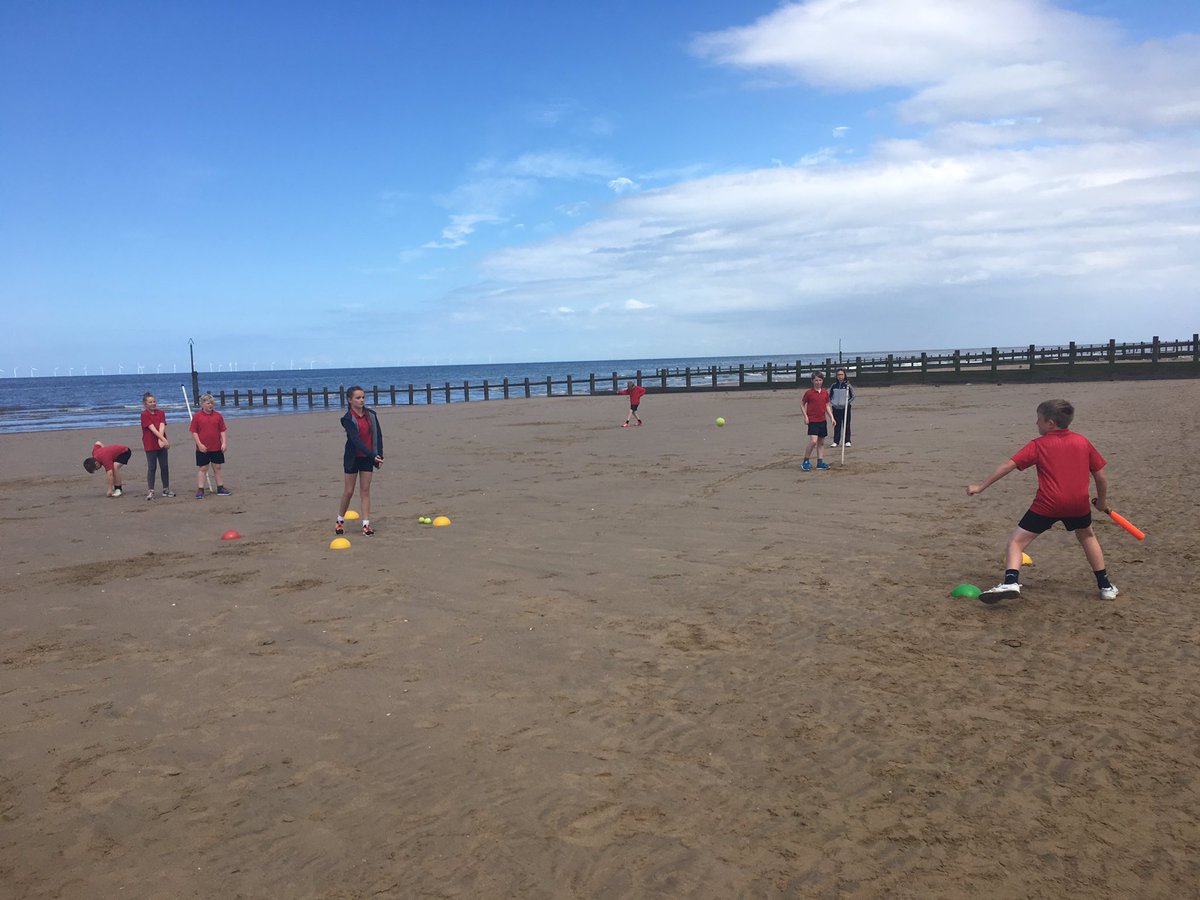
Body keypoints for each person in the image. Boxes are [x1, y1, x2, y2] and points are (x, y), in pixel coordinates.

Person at [967, 398, 1118, 603]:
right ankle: (1106, 586)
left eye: (1038, 420)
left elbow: (1008, 465)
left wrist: (980, 486)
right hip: (1078, 504)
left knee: (1016, 541)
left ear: (1050, 423)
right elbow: (1101, 477)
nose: (1036, 424)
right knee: (1087, 537)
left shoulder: (1038, 445)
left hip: (1048, 504)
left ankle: (1011, 581)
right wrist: (1101, 501)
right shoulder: (1083, 442)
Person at [337, 386, 383, 536]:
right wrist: (372, 455)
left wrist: (379, 455)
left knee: (365, 491)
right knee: (349, 491)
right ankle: (340, 520)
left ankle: (366, 525)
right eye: (358, 398)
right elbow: (356, 441)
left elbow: (378, 436)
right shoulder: (347, 419)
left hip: (367, 458)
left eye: (363, 397)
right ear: (350, 400)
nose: (361, 400)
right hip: (353, 458)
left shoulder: (371, 415)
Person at [189, 393, 231, 499]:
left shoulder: (218, 416)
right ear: (203, 404)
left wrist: (224, 442)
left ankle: (220, 487)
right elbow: (194, 432)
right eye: (208, 403)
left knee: (217, 467)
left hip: (216, 447)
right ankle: (200, 489)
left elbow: (222, 430)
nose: (210, 405)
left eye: (212, 403)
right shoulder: (197, 417)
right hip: (203, 448)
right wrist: (199, 444)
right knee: (203, 468)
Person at [140, 392, 174, 499]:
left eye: (154, 401)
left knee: (164, 466)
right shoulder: (144, 414)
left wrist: (162, 440)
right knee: (152, 467)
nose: (153, 403)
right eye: (150, 402)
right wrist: (163, 439)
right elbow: (152, 429)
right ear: (145, 404)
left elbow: (161, 425)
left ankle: (166, 489)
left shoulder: (161, 413)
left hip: (161, 443)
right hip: (150, 443)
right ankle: (151, 490)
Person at [800, 372, 834, 471]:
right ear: (812, 381)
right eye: (816, 380)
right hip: (813, 420)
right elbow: (802, 405)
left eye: (820, 380)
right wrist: (805, 417)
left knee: (821, 442)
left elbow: (827, 405)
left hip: (822, 420)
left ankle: (820, 462)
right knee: (813, 441)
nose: (818, 382)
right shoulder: (809, 393)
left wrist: (832, 417)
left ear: (822, 381)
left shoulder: (824, 392)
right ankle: (805, 461)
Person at [828, 367, 854, 448]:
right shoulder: (833, 386)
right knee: (837, 425)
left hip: (846, 408)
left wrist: (847, 403)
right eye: (838, 374)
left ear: (844, 375)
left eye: (841, 374)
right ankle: (836, 441)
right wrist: (833, 402)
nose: (840, 376)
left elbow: (852, 396)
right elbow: (829, 396)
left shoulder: (847, 385)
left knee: (846, 424)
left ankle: (847, 441)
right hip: (836, 408)